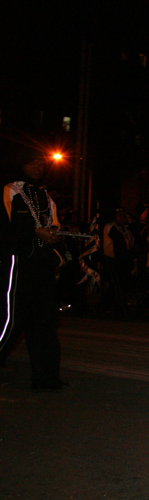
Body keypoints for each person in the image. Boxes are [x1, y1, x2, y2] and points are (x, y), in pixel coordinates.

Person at [0, 150, 66, 389]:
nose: (39, 167)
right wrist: (33, 233)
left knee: (45, 321)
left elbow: (53, 224)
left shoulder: (45, 196)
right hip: (18, 262)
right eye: (33, 162)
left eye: (42, 163)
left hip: (42, 263)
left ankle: (45, 377)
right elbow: (4, 230)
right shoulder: (9, 191)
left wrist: (53, 236)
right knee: (11, 319)